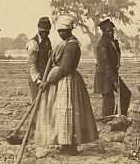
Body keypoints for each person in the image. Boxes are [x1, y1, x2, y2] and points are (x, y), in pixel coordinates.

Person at [32, 15, 99, 156]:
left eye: (62, 31)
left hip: (67, 81)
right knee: (61, 112)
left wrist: (49, 81)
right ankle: (64, 143)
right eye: (59, 31)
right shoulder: (65, 43)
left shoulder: (72, 45)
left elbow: (65, 68)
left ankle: (70, 145)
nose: (60, 33)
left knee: (68, 111)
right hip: (61, 81)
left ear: (69, 30)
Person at [94, 17, 131, 119]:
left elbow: (116, 57)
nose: (110, 33)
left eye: (111, 30)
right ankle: (107, 119)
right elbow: (106, 64)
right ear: (103, 32)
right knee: (108, 98)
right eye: (108, 31)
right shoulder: (102, 44)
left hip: (112, 73)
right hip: (104, 75)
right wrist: (114, 80)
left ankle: (121, 116)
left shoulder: (114, 42)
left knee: (126, 93)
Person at [25, 16, 53, 101]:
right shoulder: (33, 43)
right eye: (43, 31)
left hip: (45, 77)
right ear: (38, 29)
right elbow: (31, 64)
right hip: (36, 78)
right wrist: (38, 80)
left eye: (47, 32)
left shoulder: (47, 41)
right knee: (37, 102)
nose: (45, 34)